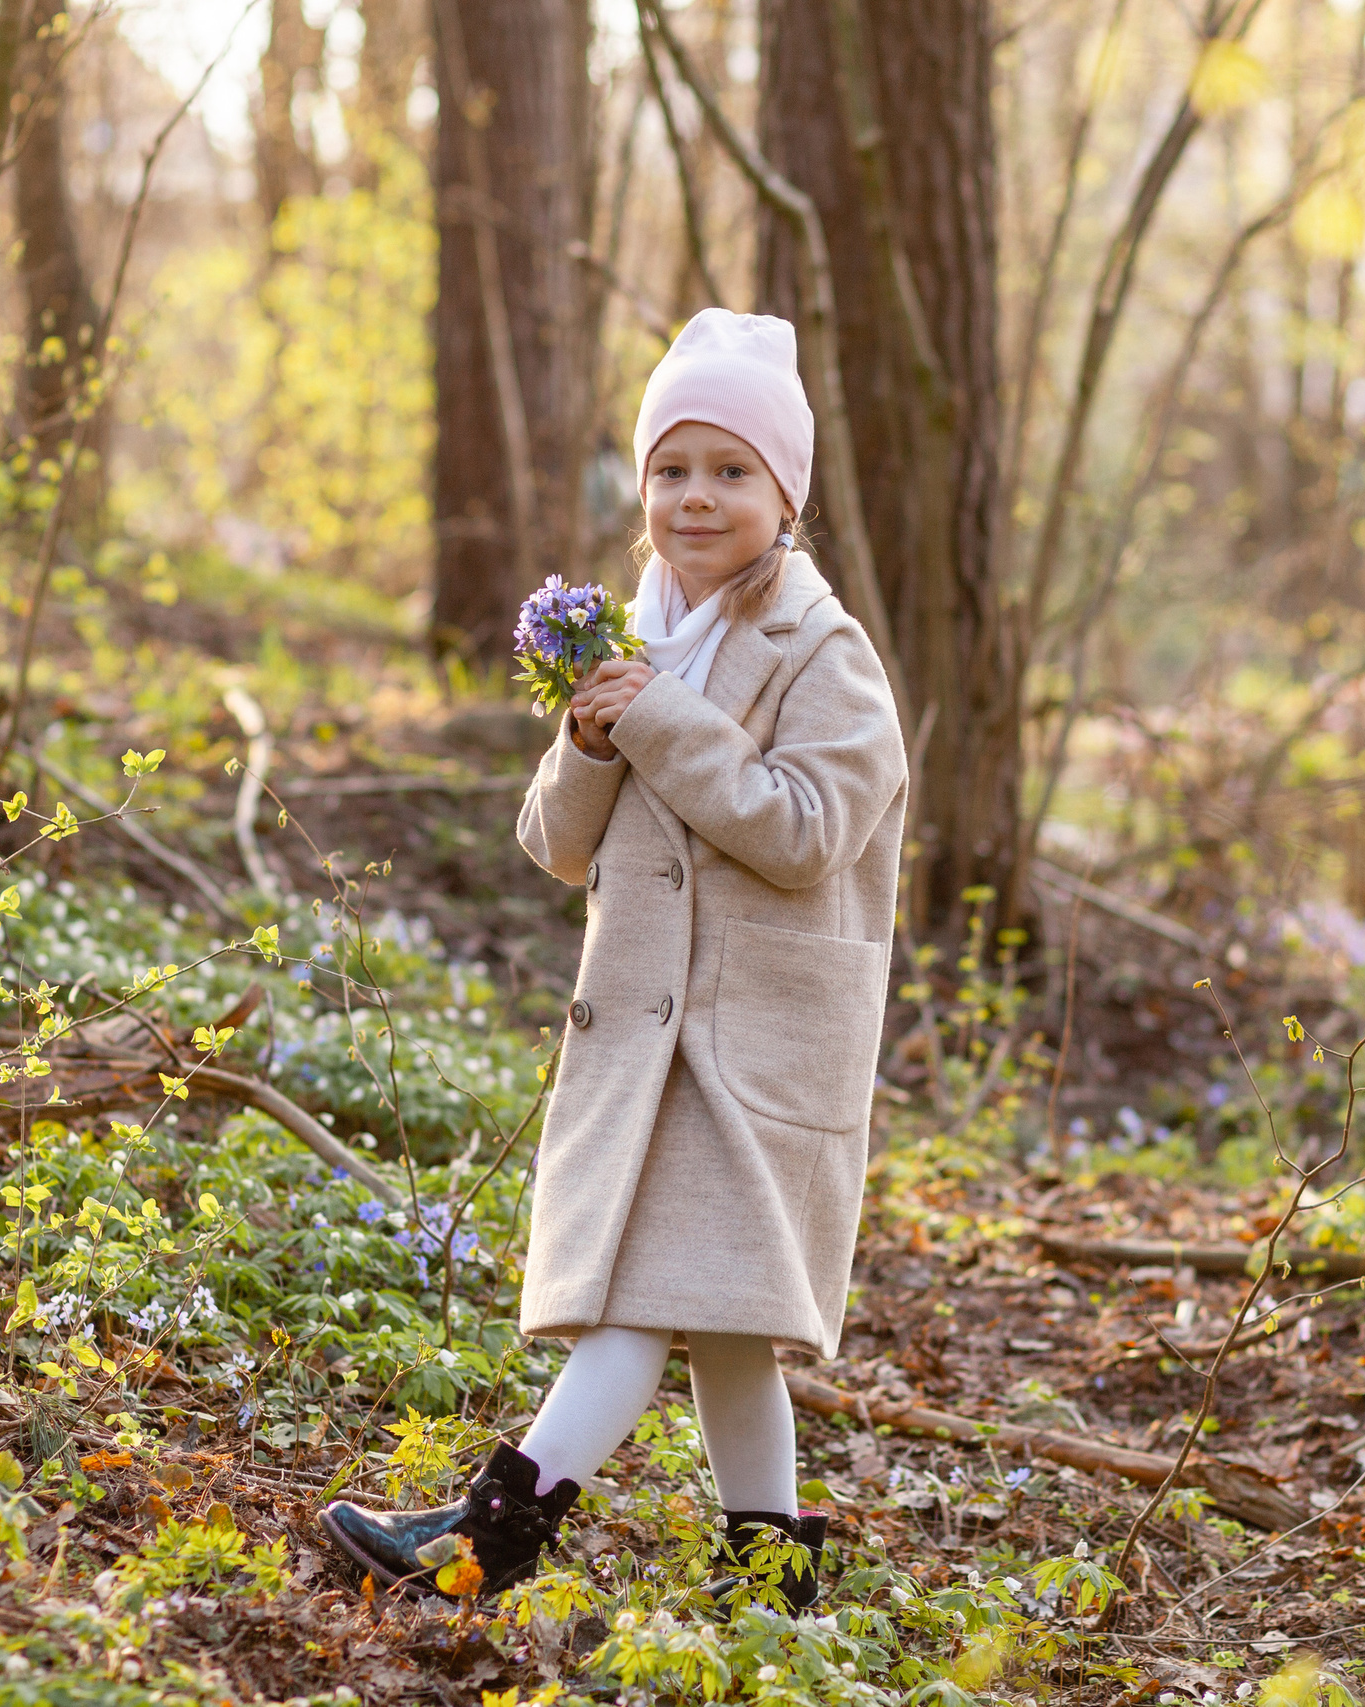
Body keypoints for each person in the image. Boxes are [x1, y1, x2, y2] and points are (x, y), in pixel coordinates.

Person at [319, 309, 908, 1612]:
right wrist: (590, 741)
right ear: (641, 491)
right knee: (728, 1328)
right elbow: (555, 845)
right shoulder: (639, 639)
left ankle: (490, 1533)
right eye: (672, 470)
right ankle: (772, 1577)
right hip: (650, 1032)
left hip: (751, 1044)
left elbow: (807, 834)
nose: (697, 498)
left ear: (786, 496)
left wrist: (657, 720)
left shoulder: (825, 655)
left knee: (641, 1299)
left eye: (732, 471)